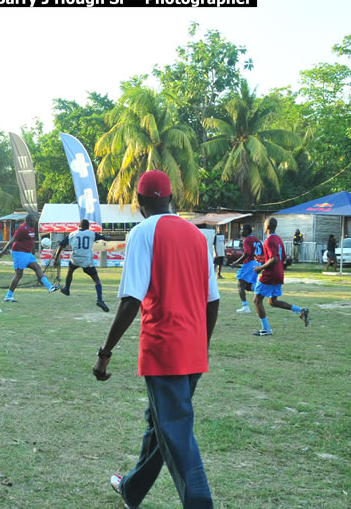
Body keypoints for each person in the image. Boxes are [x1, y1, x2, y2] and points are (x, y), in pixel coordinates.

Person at [93, 170, 220, 509]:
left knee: (175, 431)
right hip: (193, 350)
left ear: (139, 202)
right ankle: (132, 490)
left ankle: (200, 504)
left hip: (164, 351)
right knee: (159, 423)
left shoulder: (143, 232)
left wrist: (105, 352)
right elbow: (213, 301)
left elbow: (131, 300)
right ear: (169, 198)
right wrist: (201, 346)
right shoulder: (197, 236)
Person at [252, 217, 310, 336]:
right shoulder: (278, 239)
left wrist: (260, 268)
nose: (263, 227)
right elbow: (281, 258)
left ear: (267, 227)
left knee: (257, 301)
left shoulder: (269, 241)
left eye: (264, 225)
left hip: (270, 275)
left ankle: (266, 329)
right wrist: (263, 259)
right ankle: (301, 310)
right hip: (279, 273)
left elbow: (275, 259)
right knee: (273, 302)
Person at [51, 219, 111, 312]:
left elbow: (61, 245)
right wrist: (108, 237)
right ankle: (100, 300)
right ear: (88, 227)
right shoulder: (91, 233)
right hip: (86, 260)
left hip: (75, 259)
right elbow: (105, 238)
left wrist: (56, 259)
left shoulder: (72, 234)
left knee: (70, 271)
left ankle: (67, 288)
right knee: (96, 280)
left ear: (79, 226)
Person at [0, 213, 59, 302]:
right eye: (34, 220)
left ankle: (50, 287)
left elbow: (30, 240)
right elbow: (12, 240)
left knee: (37, 267)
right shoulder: (22, 229)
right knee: (19, 274)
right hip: (19, 253)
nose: (35, 222)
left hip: (27, 253)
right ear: (29, 221)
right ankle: (8, 296)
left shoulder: (31, 228)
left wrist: (32, 250)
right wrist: (3, 251)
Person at [229, 223, 262, 314]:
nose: (241, 231)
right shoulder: (257, 240)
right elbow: (262, 252)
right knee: (247, 286)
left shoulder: (247, 240)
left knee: (240, 284)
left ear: (247, 231)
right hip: (257, 263)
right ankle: (260, 290)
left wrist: (236, 262)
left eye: (242, 229)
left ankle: (245, 306)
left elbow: (247, 253)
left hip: (250, 263)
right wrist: (260, 264)